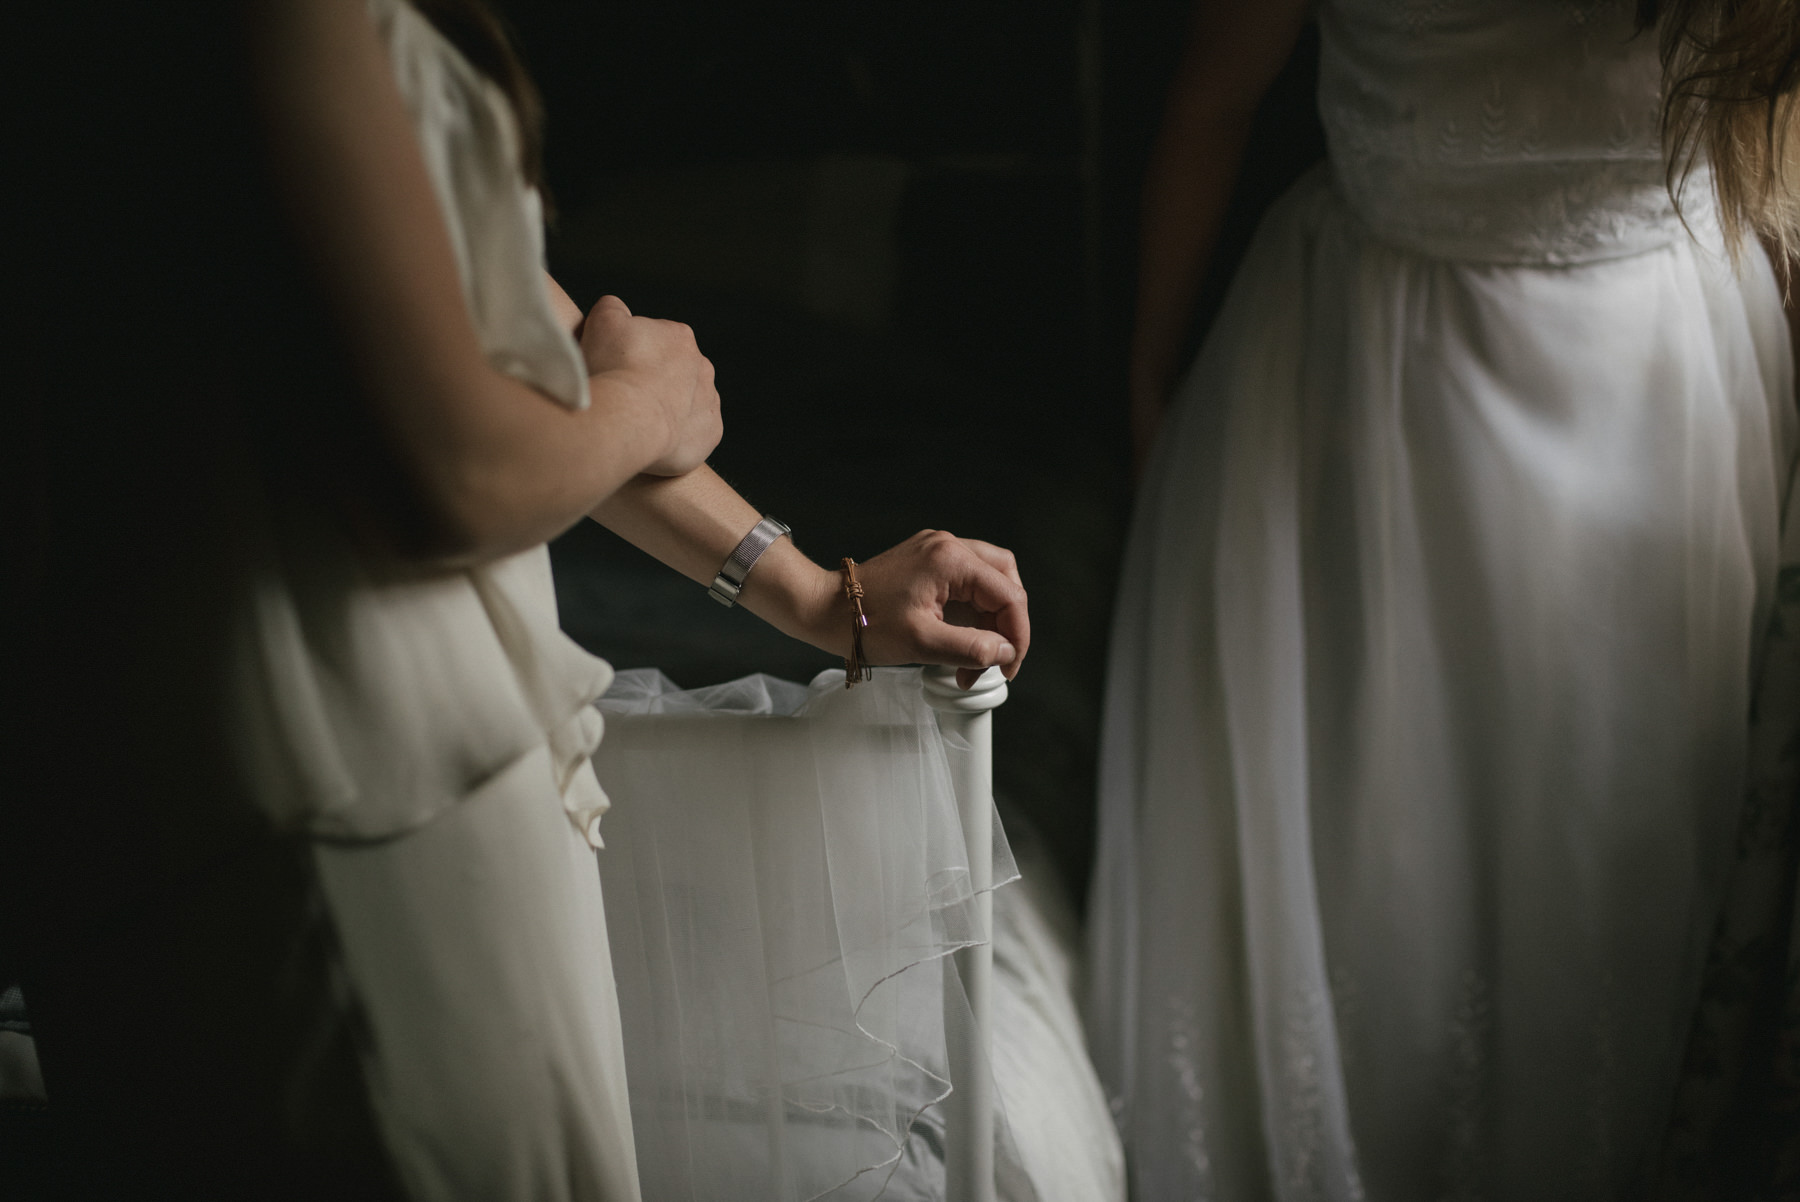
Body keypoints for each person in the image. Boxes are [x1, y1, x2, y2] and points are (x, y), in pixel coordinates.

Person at [1, 0, 1027, 1198]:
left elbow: (486, 327)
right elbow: (466, 466)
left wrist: (816, 592)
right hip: (349, 783)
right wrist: (645, 400)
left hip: (287, 761)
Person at [1086, 0, 1800, 1197]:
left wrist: (1153, 375)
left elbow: (1213, 96)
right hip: (1433, 378)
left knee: (1540, 831)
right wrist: (1152, 380)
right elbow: (1213, 99)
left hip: (1618, 381)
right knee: (1429, 820)